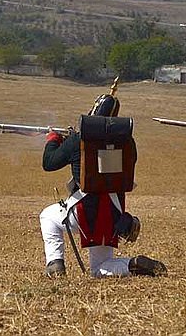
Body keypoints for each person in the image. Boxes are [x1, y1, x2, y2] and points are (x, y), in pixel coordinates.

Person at [39, 91, 167, 278]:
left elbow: (49, 163)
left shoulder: (78, 140)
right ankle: (132, 264)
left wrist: (53, 140)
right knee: (100, 267)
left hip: (84, 214)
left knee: (48, 217)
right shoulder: (127, 143)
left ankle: (55, 263)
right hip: (114, 215)